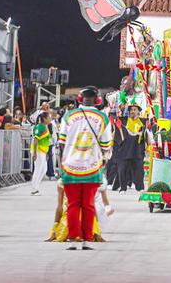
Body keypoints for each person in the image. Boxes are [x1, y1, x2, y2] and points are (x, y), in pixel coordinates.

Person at [58, 86, 113, 250]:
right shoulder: (102, 117)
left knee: (72, 205)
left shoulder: (68, 116)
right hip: (92, 168)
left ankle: (73, 240)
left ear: (80, 99)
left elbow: (61, 143)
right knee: (89, 205)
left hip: (70, 168)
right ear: (97, 100)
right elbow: (106, 145)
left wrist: (64, 163)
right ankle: (87, 240)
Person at [112, 103, 150, 192]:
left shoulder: (143, 122)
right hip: (124, 151)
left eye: (134, 110)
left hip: (137, 151)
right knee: (122, 170)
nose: (132, 111)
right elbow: (115, 120)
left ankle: (140, 188)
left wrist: (148, 146)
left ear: (139, 112)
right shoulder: (124, 121)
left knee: (139, 171)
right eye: (131, 110)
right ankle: (122, 188)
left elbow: (146, 136)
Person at [31, 112, 53, 195]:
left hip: (43, 151)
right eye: (49, 118)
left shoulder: (45, 127)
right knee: (38, 169)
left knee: (44, 170)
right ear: (44, 119)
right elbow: (35, 140)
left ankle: (36, 186)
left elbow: (46, 141)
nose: (50, 119)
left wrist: (46, 153)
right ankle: (34, 189)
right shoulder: (39, 127)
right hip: (38, 151)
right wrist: (34, 153)